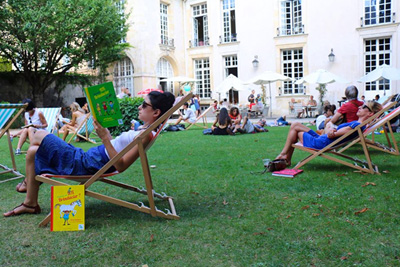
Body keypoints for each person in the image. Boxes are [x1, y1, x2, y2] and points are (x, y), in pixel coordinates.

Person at [4, 91, 175, 217]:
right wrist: (107, 135)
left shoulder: (145, 136)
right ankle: (30, 203)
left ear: (156, 113)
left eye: (144, 105)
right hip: (89, 158)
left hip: (85, 164)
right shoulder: (144, 129)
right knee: (32, 151)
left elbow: (121, 166)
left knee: (37, 133)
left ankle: (28, 183)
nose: (139, 106)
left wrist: (106, 138)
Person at [274, 101, 382, 167]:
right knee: (295, 124)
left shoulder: (357, 126)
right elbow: (334, 132)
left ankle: (285, 156)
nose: (359, 107)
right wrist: (331, 128)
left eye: (363, 107)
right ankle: (286, 157)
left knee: (295, 130)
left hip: (321, 143)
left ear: (370, 113)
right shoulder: (359, 125)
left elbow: (333, 135)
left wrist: (331, 128)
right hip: (322, 139)